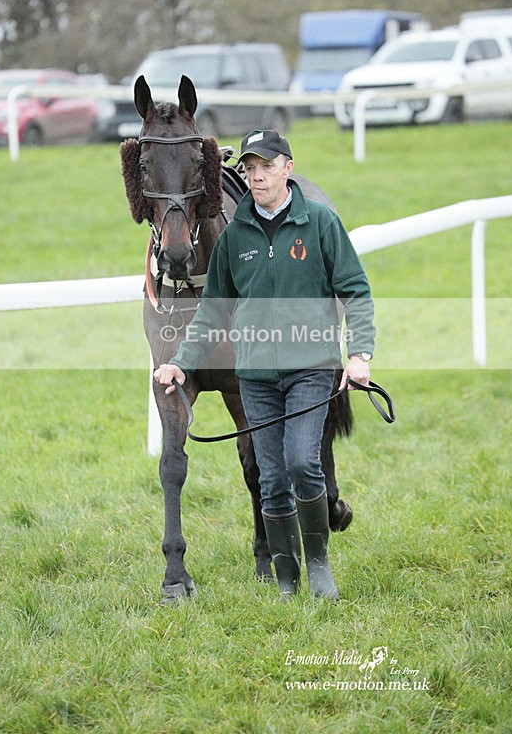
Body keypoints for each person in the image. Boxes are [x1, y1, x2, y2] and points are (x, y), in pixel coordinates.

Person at [154, 129, 375, 601]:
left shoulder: (319, 222)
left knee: (301, 463)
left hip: (310, 369)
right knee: (271, 477)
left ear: (287, 169)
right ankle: (286, 580)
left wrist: (358, 355)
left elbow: (355, 287)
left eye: (266, 167)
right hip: (254, 375)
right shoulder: (235, 237)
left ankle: (319, 569)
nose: (256, 177)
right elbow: (213, 310)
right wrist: (181, 364)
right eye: (250, 169)